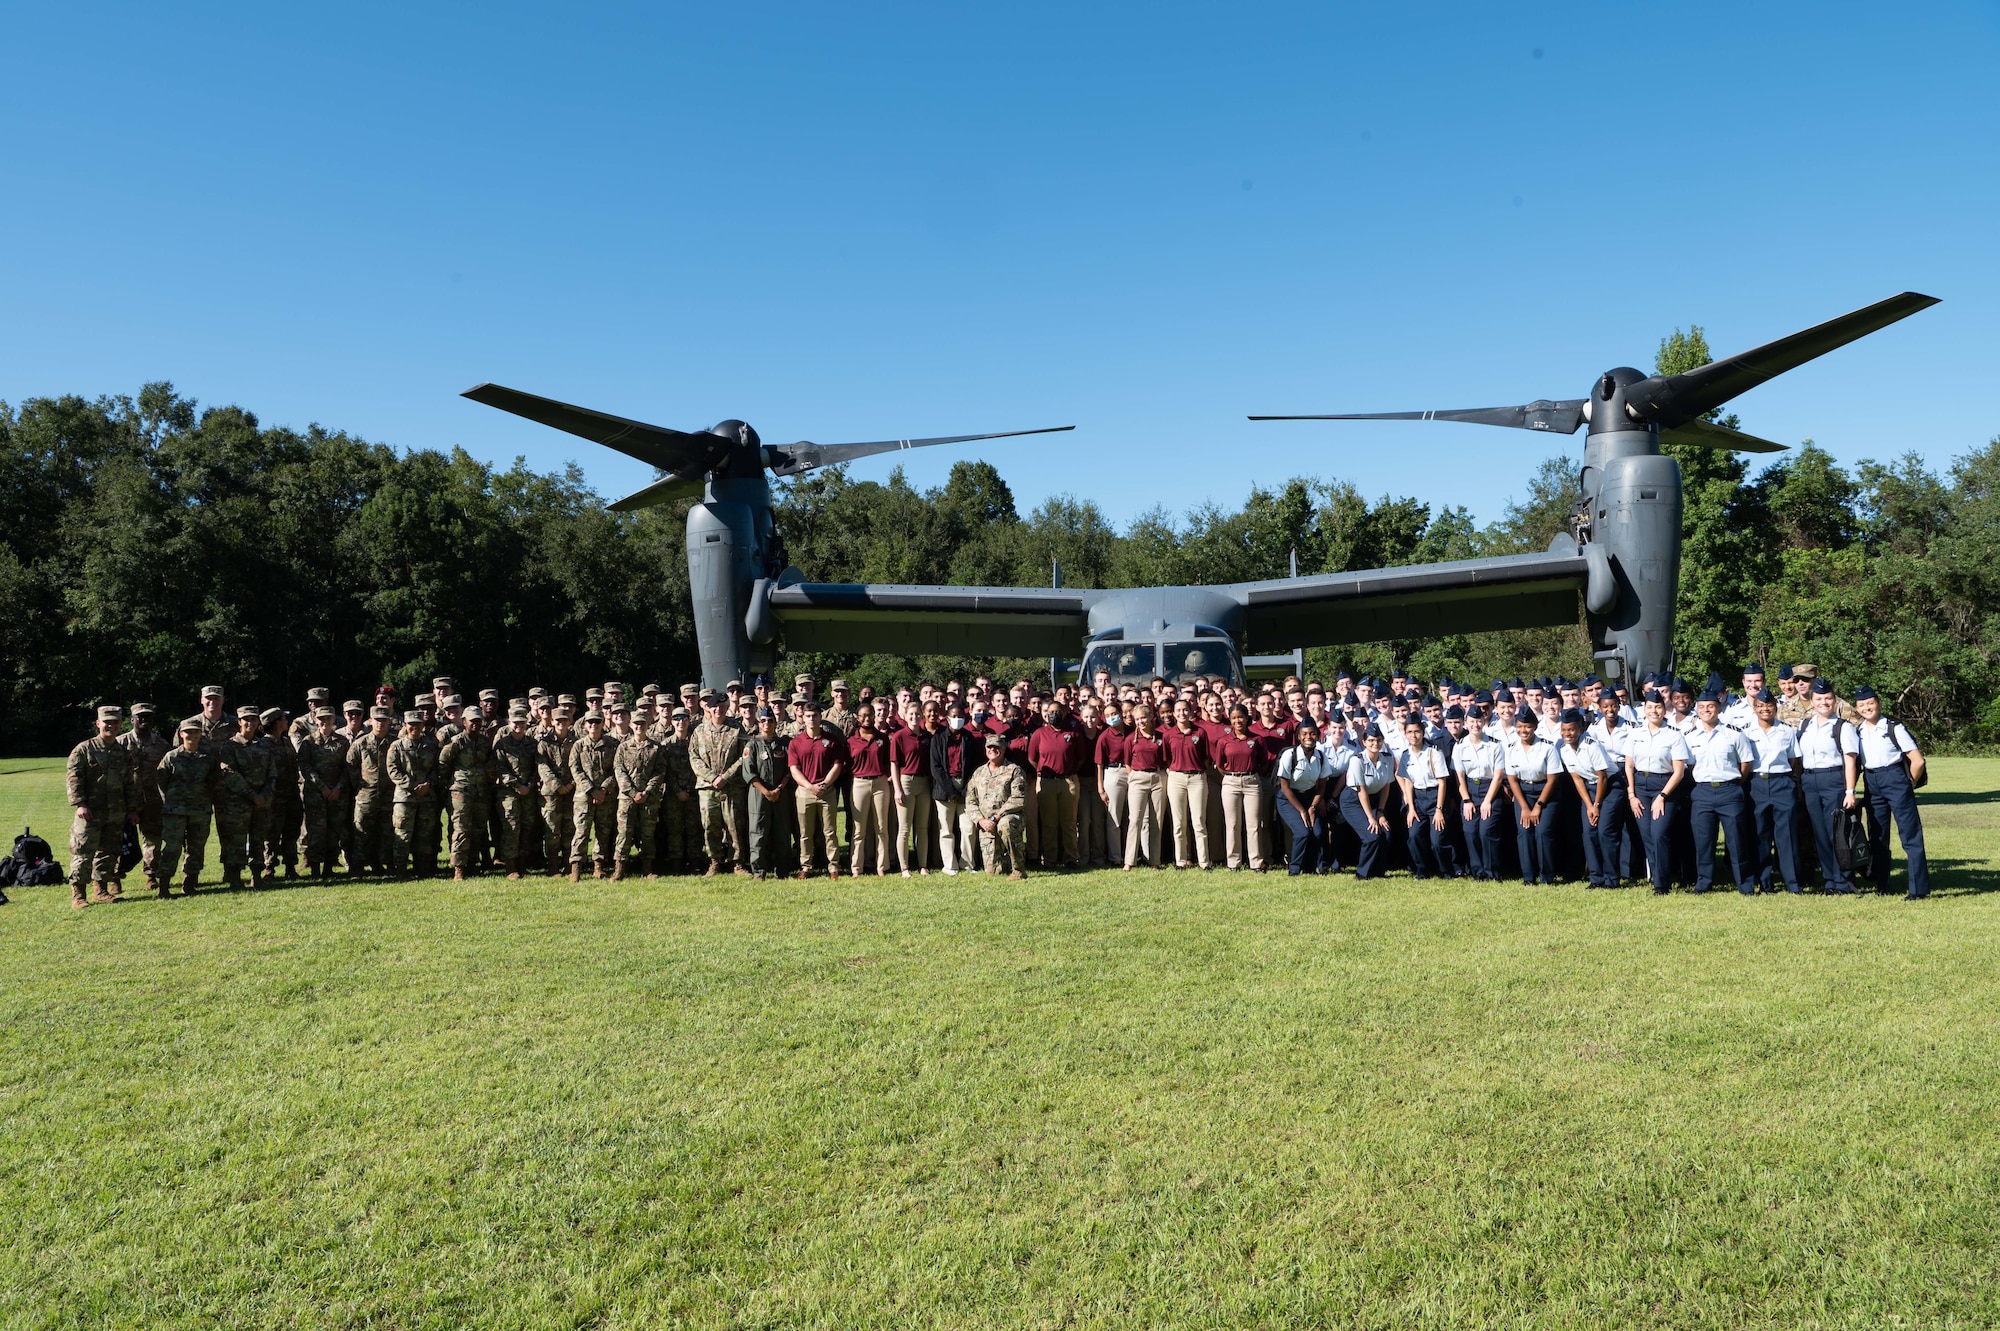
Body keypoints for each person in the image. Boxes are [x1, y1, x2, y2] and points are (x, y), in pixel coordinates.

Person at [1853, 686, 1930, 899]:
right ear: (1857, 709)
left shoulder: (1893, 727)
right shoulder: (1858, 730)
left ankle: (1918, 890)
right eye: (1862, 705)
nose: (1867, 708)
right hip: (1872, 781)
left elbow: (1918, 760)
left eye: (1870, 703)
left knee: (1910, 835)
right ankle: (1882, 885)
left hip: (1895, 778)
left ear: (1879, 703)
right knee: (1877, 835)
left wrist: (1908, 785)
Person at [67, 705, 140, 907]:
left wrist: (132, 810)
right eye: (107, 721)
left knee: (108, 852)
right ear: (98, 723)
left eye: (115, 722)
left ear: (120, 725)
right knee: (83, 852)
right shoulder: (84, 749)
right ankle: (78, 895)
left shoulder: (123, 753)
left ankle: (101, 890)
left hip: (115, 812)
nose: (111, 725)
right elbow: (74, 778)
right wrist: (80, 804)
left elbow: (129, 783)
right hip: (90, 811)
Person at [1685, 689, 1757, 893]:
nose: (1706, 710)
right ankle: (1703, 884)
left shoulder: (1734, 733)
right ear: (1697, 710)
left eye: (1710, 707)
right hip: (1702, 792)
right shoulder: (1689, 736)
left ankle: (1745, 884)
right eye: (1701, 707)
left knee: (1736, 841)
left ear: (1718, 709)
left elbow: (1746, 762)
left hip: (1729, 791)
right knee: (1704, 841)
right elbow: (1690, 766)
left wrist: (1734, 783)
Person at [1796, 678, 1861, 894]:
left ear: (1834, 701)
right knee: (1819, 833)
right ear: (1812, 701)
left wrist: (1850, 791)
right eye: (1819, 699)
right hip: (1810, 780)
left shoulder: (1843, 727)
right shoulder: (1804, 725)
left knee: (1836, 832)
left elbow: (1850, 761)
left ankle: (1843, 879)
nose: (1824, 702)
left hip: (1833, 780)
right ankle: (1829, 880)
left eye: (1828, 698)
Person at [1624, 695, 1692, 894]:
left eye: (1658, 707)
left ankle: (1662, 884)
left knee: (1659, 833)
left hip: (1665, 786)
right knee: (1647, 834)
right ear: (1644, 710)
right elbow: (1629, 765)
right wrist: (1631, 795)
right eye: (1650, 707)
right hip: (1640, 786)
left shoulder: (1674, 735)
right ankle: (1658, 875)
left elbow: (1679, 772)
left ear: (1665, 709)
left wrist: (1662, 796)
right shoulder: (1635, 733)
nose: (1654, 711)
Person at [1740, 689, 1804, 893]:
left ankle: (1793, 882)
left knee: (1787, 835)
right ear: (1754, 708)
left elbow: (1794, 760)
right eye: (1760, 706)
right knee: (1759, 834)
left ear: (1775, 708)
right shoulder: (1746, 731)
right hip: (1756, 784)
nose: (1764, 709)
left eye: (1768, 706)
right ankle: (1764, 881)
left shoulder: (1786, 731)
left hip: (1781, 783)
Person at [155, 718, 221, 896]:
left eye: (195, 731)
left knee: (196, 848)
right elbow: (162, 781)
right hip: (175, 812)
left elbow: (213, 781)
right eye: (188, 732)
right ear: (181, 734)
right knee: (171, 848)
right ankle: (164, 885)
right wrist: (170, 801)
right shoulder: (172, 757)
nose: (192, 735)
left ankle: (190, 882)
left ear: (201, 734)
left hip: (200, 811)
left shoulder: (208, 759)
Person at [216, 707, 279, 891]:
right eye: (246, 719)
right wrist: (252, 795)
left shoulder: (264, 746)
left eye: (253, 719)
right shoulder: (230, 746)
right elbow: (229, 773)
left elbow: (272, 773)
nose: (250, 723)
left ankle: (256, 875)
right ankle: (235, 877)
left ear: (259, 722)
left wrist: (265, 794)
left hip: (261, 802)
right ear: (239, 722)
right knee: (237, 840)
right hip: (238, 802)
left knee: (258, 838)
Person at [690, 692, 749, 877]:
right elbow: (694, 757)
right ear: (708, 708)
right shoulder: (699, 731)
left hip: (731, 787)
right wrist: (712, 777)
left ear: (726, 708)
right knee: (710, 825)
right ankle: (714, 861)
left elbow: (744, 756)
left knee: (734, 825)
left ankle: (737, 863)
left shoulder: (737, 729)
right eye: (714, 707)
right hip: (707, 788)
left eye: (722, 707)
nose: (718, 710)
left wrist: (727, 776)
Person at [788, 699, 846, 879]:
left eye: (815, 716)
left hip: (827, 790)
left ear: (821, 717)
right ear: (802, 718)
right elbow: (794, 769)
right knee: (805, 833)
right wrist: (809, 786)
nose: (811, 719)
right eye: (808, 716)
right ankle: (806, 867)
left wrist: (825, 784)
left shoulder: (832, 740)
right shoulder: (796, 742)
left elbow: (837, 765)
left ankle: (833, 867)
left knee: (830, 832)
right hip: (805, 792)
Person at [438, 706, 496, 881]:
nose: (476, 724)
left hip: (480, 791)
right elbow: (443, 764)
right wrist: (449, 785)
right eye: (472, 721)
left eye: (479, 721)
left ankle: (472, 864)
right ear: (464, 722)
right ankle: (459, 868)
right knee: (461, 829)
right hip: (460, 791)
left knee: (478, 829)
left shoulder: (485, 742)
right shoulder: (456, 742)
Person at [118, 703, 171, 894]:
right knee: (120, 838)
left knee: (153, 838)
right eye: (139, 717)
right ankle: (115, 876)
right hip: (126, 799)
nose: (143, 720)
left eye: (147, 717)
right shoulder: (120, 743)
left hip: (153, 800)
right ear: (131, 719)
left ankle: (151, 875)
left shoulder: (162, 745)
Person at [1556, 709, 1613, 887]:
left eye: (1571, 730)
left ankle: (1611, 878)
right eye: (1564, 730)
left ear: (1581, 728)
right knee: (1588, 833)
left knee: (1604, 832)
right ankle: (1596, 878)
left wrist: (1596, 804)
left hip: (1610, 787)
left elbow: (1603, 777)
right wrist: (1589, 805)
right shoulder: (1564, 750)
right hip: (1588, 788)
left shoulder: (1591, 745)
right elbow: (1577, 779)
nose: (1567, 734)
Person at [1504, 712, 1562, 886]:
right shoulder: (1511, 748)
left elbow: (1553, 779)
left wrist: (1538, 806)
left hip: (1546, 792)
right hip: (1523, 792)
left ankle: (1547, 876)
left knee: (1543, 832)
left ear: (1535, 727)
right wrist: (1525, 808)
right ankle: (1528, 877)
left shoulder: (1547, 747)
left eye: (1528, 726)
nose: (1524, 730)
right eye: (1520, 726)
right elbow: (1512, 780)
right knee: (1524, 832)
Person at [1273, 720, 1336, 876]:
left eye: (1312, 733)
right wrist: (1302, 811)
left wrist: (1313, 808)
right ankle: (1294, 869)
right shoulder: (1290, 755)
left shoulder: (1320, 756)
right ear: (1298, 737)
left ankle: (1312, 867)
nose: (1309, 737)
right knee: (1302, 832)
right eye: (1304, 734)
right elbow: (1285, 787)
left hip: (1310, 797)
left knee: (1318, 831)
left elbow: (1321, 787)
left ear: (1318, 735)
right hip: (1289, 798)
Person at [1452, 707, 1508, 881]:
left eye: (1478, 721)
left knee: (1486, 831)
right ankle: (1478, 871)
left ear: (1483, 722)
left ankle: (1492, 872)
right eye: (1471, 721)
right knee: (1470, 831)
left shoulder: (1494, 744)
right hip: (1469, 790)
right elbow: (1459, 777)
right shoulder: (1460, 746)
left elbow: (1498, 776)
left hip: (1490, 790)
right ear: (1466, 723)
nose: (1475, 725)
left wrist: (1487, 801)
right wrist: (1467, 801)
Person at [1027, 699, 1082, 870]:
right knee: (1049, 823)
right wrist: (1042, 771)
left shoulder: (1073, 733)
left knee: (1069, 822)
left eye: (1057, 712)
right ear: (1046, 714)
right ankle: (1050, 859)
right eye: (1051, 712)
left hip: (1068, 781)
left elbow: (1081, 758)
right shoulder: (1039, 734)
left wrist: (1069, 770)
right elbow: (1032, 758)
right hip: (1047, 782)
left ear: (1064, 713)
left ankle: (1071, 858)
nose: (1054, 715)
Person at [965, 732, 1029, 879]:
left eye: (996, 747)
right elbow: (970, 800)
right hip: (987, 823)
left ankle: (1019, 870)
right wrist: (981, 820)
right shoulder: (979, 773)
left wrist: (997, 817)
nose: (992, 750)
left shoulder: (1014, 770)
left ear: (1004, 748)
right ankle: (1005, 861)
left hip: (1009, 818)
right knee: (993, 871)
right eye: (989, 747)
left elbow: (1018, 798)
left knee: (1005, 826)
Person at [613, 709, 667, 880]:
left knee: (647, 833)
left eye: (642, 723)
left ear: (648, 725)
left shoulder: (655, 748)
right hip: (627, 797)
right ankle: (620, 868)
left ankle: (647, 868)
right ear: (631, 725)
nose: (639, 727)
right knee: (624, 832)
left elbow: (659, 772)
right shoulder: (623, 747)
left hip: (649, 797)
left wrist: (647, 791)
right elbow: (619, 770)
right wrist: (632, 792)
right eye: (636, 724)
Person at [492, 705, 544, 880]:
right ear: (509, 722)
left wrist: (528, 785)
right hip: (508, 793)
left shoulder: (533, 744)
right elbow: (500, 768)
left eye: (522, 722)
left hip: (528, 792)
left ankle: (523, 863)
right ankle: (511, 866)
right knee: (511, 828)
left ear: (527, 723)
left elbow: (538, 768)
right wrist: (517, 786)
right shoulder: (502, 744)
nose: (518, 725)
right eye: (515, 722)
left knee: (527, 827)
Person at [388, 709, 441, 879]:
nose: (415, 728)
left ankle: (423, 869)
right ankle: (401, 869)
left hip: (427, 797)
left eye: (418, 724)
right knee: (402, 834)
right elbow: (393, 770)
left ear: (423, 725)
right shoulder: (397, 746)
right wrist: (412, 786)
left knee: (425, 834)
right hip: (404, 799)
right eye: (411, 724)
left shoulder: (431, 746)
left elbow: (437, 769)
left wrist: (429, 784)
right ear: (405, 725)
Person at [1214, 705, 1268, 871]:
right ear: (1230, 720)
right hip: (1230, 782)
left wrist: (1249, 774)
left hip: (1252, 781)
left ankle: (1256, 862)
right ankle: (1233, 863)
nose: (1238, 721)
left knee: (1253, 824)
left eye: (1241, 717)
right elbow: (1219, 764)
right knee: (1232, 824)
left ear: (1246, 717)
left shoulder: (1257, 739)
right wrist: (1231, 776)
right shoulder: (1224, 741)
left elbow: (1263, 763)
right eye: (1234, 718)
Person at [1397, 717, 1452, 880]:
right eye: (1409, 732)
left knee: (1437, 840)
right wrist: (1411, 808)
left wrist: (1439, 810)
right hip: (1417, 799)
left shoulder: (1434, 752)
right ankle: (1422, 870)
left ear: (1422, 732)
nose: (1413, 735)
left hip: (1435, 797)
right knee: (1414, 835)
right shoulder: (1405, 755)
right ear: (1405, 734)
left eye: (1417, 731)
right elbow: (1408, 782)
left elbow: (1442, 782)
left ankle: (1445, 870)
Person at [568, 710, 620, 879]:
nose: (593, 725)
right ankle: (576, 867)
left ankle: (599, 866)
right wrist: (591, 790)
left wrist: (604, 790)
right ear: (585, 725)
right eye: (590, 722)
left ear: (603, 723)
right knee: (581, 831)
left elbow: (617, 769)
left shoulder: (613, 744)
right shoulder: (579, 745)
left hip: (606, 796)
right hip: (584, 796)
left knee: (602, 832)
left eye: (597, 722)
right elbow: (575, 769)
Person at [1340, 724, 1396, 880]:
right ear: (1364, 742)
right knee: (1371, 835)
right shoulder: (1357, 760)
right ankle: (1362, 874)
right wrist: (1371, 818)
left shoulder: (1387, 759)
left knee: (1386, 833)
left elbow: (1386, 786)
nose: (1375, 744)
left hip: (1373, 800)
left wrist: (1380, 812)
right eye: (1371, 740)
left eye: (1378, 740)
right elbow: (1361, 790)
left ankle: (1378, 872)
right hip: (1353, 801)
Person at [742, 706, 792, 879]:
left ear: (775, 722)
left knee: (782, 832)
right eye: (763, 721)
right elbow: (749, 772)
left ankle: (783, 869)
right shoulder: (752, 745)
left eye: (770, 721)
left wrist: (778, 789)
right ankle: (759, 871)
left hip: (781, 794)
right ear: (758, 723)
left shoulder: (784, 744)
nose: (767, 724)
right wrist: (766, 791)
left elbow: (790, 770)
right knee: (758, 832)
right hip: (758, 794)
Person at [845, 706, 894, 877]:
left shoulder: (882, 738)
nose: (867, 719)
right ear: (858, 717)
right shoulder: (851, 740)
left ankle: (881, 866)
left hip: (880, 783)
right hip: (859, 783)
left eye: (870, 715)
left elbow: (890, 761)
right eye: (863, 716)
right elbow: (847, 765)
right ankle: (856, 868)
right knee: (859, 830)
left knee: (882, 827)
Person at [1163, 699, 1212, 870]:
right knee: (1178, 823)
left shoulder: (1200, 732)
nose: (1182, 713)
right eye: (1178, 710)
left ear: (1190, 711)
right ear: (1174, 713)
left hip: (1197, 778)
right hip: (1176, 779)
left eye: (1185, 710)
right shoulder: (1168, 735)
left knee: (1199, 821)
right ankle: (1180, 861)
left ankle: (1204, 862)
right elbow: (1167, 759)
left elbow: (1206, 758)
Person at [348, 706, 396, 877]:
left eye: (384, 720)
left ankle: (385, 864)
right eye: (377, 720)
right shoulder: (360, 743)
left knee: (387, 831)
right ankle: (357, 867)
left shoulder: (394, 743)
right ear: (371, 721)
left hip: (389, 795)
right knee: (362, 832)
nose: (380, 723)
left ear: (389, 721)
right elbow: (351, 766)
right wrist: (360, 785)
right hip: (366, 795)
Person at [890, 701, 935, 877]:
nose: (914, 717)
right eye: (911, 714)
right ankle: (904, 867)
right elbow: (894, 764)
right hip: (906, 781)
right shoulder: (899, 736)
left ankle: (922, 865)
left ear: (921, 716)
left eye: (917, 714)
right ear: (905, 715)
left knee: (922, 828)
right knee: (904, 828)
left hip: (924, 784)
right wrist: (897, 789)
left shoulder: (927, 737)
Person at [1123, 704, 1170, 871]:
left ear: (1151, 717)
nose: (1141, 721)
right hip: (1138, 777)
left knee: (1156, 820)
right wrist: (1135, 776)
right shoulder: (1130, 739)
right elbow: (1127, 762)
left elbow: (1167, 759)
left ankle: (1154, 860)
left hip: (1158, 777)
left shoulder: (1161, 736)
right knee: (1135, 819)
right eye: (1137, 719)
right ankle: (1129, 860)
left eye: (1143, 717)